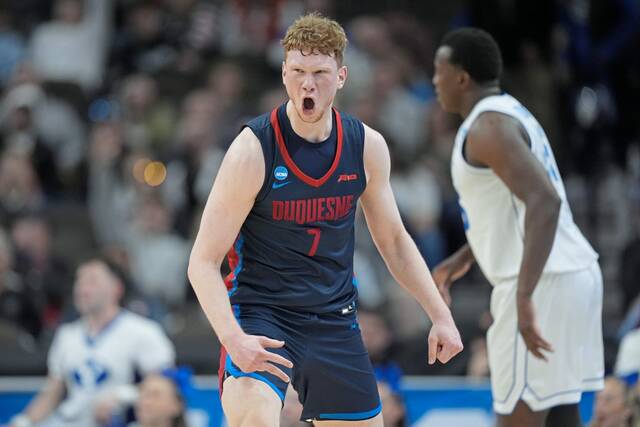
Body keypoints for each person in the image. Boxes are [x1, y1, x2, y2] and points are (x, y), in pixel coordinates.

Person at [188, 12, 463, 427]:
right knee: (252, 414)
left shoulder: (366, 145)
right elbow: (202, 262)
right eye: (297, 71)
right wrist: (232, 337)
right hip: (262, 312)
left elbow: (394, 242)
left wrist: (440, 315)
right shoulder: (252, 150)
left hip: (332, 316)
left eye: (319, 72)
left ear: (342, 76)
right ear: (283, 74)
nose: (308, 84)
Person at [431, 28, 604, 427]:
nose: (434, 82)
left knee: (517, 419)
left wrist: (525, 297)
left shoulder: (487, 127)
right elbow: (512, 208)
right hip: (570, 275)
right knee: (560, 414)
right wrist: (461, 259)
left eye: (439, 73)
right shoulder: (508, 113)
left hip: (542, 282)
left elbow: (545, 201)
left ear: (461, 77)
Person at [8, 259, 175, 427]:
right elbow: (52, 392)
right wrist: (23, 421)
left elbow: (167, 385)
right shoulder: (66, 335)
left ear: (116, 288)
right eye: (79, 281)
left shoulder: (143, 331)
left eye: (92, 280)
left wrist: (123, 396)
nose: (82, 288)